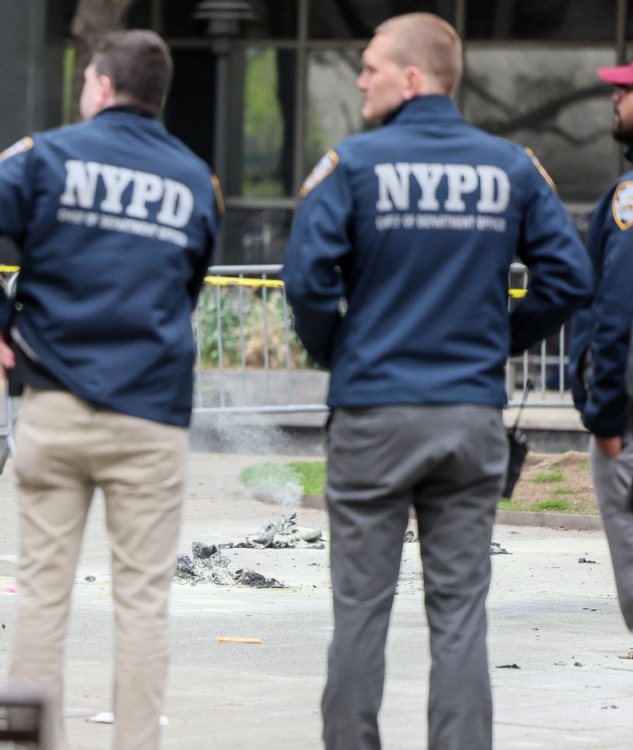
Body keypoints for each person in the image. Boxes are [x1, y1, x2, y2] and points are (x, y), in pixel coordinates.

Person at [280, 13, 590, 750]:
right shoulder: (510, 166)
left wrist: (339, 350)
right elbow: (569, 277)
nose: (360, 79)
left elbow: (304, 280)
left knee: (360, 611)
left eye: (371, 67)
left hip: (374, 411)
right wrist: (499, 341)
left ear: (411, 78)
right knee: (460, 617)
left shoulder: (352, 165)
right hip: (468, 415)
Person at [0, 31, 220, 749]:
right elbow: (189, 284)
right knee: (144, 604)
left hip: (57, 403)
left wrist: (2, 325)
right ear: (156, 95)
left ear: (98, 85)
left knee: (43, 596)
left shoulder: (48, 155)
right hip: (151, 415)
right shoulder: (194, 179)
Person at [568, 60, 633, 637]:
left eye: (628, 90)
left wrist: (605, 414)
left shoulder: (628, 202)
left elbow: (615, 314)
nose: (616, 99)